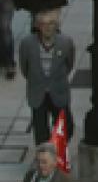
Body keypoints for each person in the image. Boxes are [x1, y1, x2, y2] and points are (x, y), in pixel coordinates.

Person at [16, 15, 74, 147]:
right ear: (37, 26)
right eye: (43, 24)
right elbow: (25, 68)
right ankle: (45, 155)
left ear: (57, 25)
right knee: (41, 131)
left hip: (58, 91)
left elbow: (69, 64)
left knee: (66, 126)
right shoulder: (27, 44)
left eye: (51, 23)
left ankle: (57, 148)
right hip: (38, 92)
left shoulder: (66, 42)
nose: (48, 28)